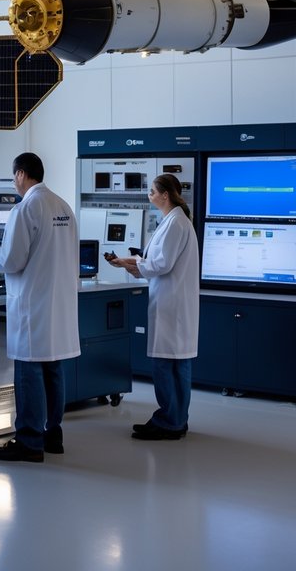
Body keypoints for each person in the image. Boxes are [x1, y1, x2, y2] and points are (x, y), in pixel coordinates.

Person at [0, 152, 80, 463]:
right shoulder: (62, 206)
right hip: (58, 302)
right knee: (53, 369)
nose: (15, 182)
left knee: (28, 371)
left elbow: (12, 260)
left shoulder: (25, 208)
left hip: (32, 303)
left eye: (14, 176)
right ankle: (53, 434)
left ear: (21, 174)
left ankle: (29, 440)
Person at [106, 173, 199, 441]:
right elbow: (156, 260)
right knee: (176, 366)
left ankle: (169, 422)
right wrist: (130, 262)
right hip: (174, 303)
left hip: (172, 306)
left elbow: (161, 264)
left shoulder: (176, 223)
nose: (149, 196)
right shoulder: (174, 221)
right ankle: (176, 419)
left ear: (165, 195)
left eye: (152, 192)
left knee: (166, 365)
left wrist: (133, 265)